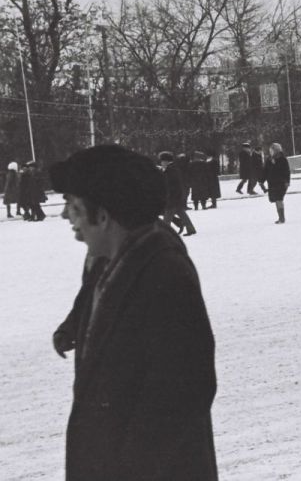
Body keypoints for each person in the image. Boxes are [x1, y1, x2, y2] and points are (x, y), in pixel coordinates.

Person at [49, 144, 217, 479]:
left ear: (103, 215)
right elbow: (90, 299)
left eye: (73, 205)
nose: (65, 215)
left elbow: (183, 394)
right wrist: (73, 325)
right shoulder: (106, 259)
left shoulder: (164, 274)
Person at [159, 151, 196, 236]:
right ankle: (191, 229)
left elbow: (171, 185)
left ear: (166, 161)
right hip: (176, 197)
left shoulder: (170, 170)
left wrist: (169, 196)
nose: (161, 163)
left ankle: (164, 233)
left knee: (167, 217)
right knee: (182, 214)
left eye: (162, 161)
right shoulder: (171, 169)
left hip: (172, 197)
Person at [264, 143, 291, 223]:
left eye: (272, 150)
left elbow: (286, 171)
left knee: (279, 199)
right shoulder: (269, 160)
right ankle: (280, 217)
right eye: (270, 150)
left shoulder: (282, 159)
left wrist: (287, 181)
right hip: (272, 183)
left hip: (281, 182)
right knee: (276, 199)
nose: (271, 152)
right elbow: (266, 171)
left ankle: (282, 218)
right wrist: (261, 180)